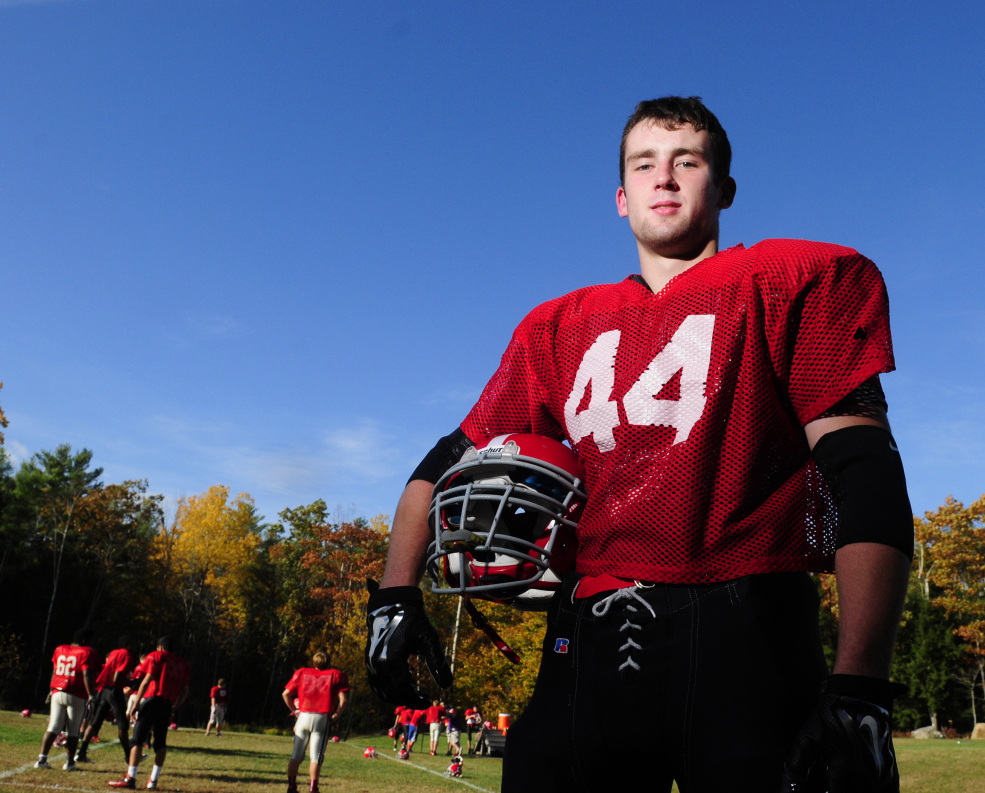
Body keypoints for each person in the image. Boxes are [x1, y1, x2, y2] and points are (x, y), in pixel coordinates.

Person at [365, 96, 914, 792]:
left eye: (688, 161)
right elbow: (441, 463)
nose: (666, 178)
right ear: (621, 198)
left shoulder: (789, 281)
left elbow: (864, 473)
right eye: (646, 164)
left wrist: (862, 682)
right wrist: (393, 595)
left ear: (725, 188)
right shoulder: (557, 325)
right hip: (589, 636)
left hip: (747, 633)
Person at [107, 637, 190, 790]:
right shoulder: (182, 664)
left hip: (152, 700)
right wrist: (176, 705)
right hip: (167, 704)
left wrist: (136, 703)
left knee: (137, 739)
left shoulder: (156, 656)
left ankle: (130, 777)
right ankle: (153, 780)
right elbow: (185, 691)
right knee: (160, 742)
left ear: (159, 648)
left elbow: (146, 681)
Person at [281, 651, 349, 793]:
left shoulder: (302, 672)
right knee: (316, 757)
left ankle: (292, 787)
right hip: (321, 717)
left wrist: (295, 710)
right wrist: (337, 714)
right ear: (328, 662)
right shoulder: (335, 674)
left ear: (314, 662)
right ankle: (313, 789)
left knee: (296, 755)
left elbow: (285, 694)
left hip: (304, 716)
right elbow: (343, 700)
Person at [35, 628, 99, 771]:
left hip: (57, 691)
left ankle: (42, 759)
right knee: (74, 730)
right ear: (84, 641)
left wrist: (51, 689)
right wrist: (92, 694)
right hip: (75, 693)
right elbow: (87, 673)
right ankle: (69, 763)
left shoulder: (60, 649)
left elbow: (55, 669)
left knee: (53, 727)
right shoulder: (87, 652)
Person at [76, 635, 138, 765]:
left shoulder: (115, 652)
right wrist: (131, 683)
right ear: (127, 644)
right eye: (133, 643)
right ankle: (128, 756)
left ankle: (81, 752)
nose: (135, 646)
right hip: (115, 691)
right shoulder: (127, 655)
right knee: (123, 725)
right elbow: (117, 678)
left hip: (104, 690)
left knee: (96, 721)